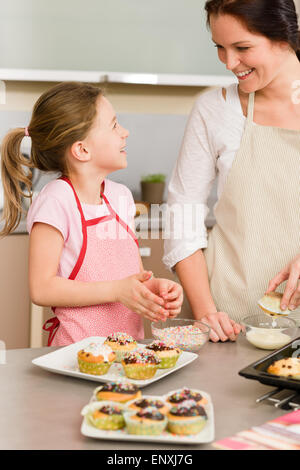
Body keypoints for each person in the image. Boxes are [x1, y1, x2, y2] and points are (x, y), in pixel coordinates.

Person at [1, 81, 183, 346]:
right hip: (76, 356)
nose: (125, 132)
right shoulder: (56, 201)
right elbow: (42, 288)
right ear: (82, 149)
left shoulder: (120, 197)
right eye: (114, 125)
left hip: (126, 353)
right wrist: (117, 291)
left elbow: (131, 275)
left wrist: (152, 290)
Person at [163, 0, 300, 342]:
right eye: (220, 48)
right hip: (228, 320)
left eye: (242, 47)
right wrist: (207, 312)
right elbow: (183, 214)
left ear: (285, 37)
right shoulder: (214, 109)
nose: (229, 63)